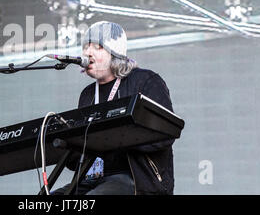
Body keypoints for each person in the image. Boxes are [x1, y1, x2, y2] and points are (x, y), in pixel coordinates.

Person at [52, 21, 176, 195]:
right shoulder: (87, 94)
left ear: (115, 53)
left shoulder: (145, 81)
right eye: (85, 47)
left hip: (134, 179)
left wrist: (111, 138)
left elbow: (165, 133)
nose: (88, 53)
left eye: (98, 47)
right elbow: (78, 157)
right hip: (91, 178)